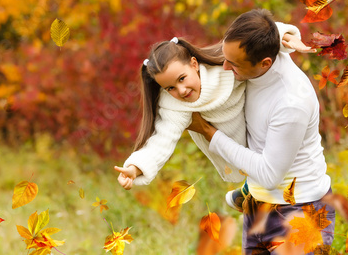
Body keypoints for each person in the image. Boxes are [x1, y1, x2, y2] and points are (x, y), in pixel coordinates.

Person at [187, 9, 335, 254]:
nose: (224, 67)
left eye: (233, 64)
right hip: (258, 205)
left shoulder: (291, 102)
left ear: (265, 63)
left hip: (300, 211)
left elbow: (268, 175)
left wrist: (208, 132)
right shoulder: (259, 45)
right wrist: (289, 32)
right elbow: (272, 27)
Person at [114, 22, 313, 201]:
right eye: (170, 88)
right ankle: (247, 189)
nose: (181, 91)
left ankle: (248, 191)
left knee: (268, 158)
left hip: (257, 130)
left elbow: (251, 40)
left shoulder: (224, 67)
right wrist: (135, 168)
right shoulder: (176, 106)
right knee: (251, 168)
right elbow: (161, 141)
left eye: (182, 78)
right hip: (232, 149)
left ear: (194, 64)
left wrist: (283, 37)